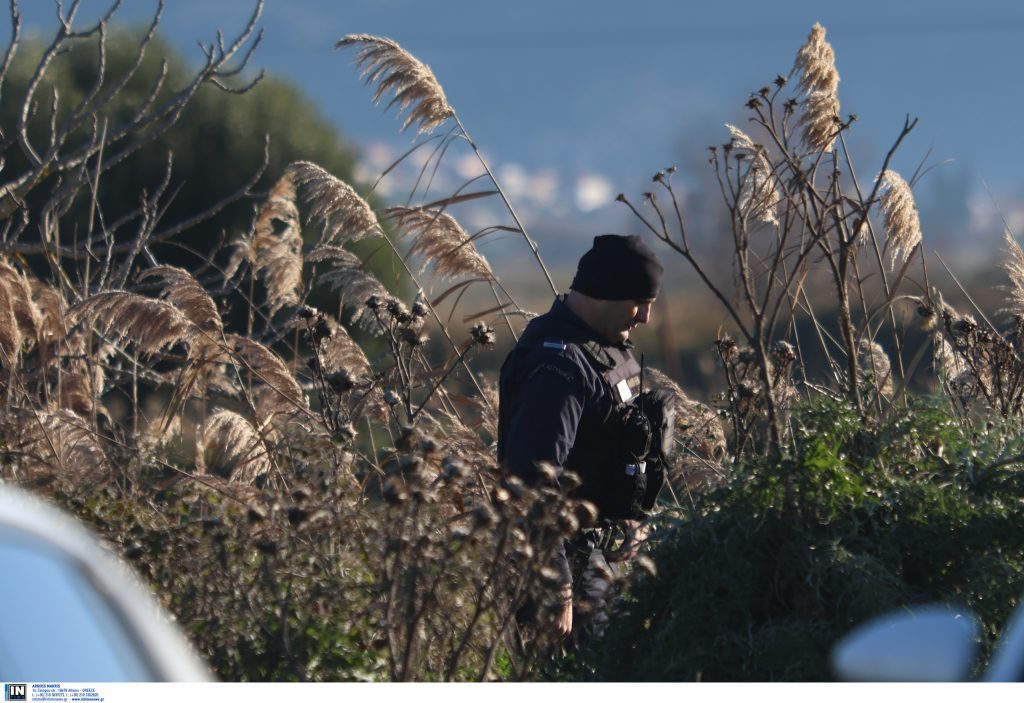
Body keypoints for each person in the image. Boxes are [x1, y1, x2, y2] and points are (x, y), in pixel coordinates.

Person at [497, 234, 672, 640]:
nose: (645, 317)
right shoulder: (556, 366)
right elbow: (532, 480)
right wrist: (556, 587)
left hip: (600, 554)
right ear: (606, 292)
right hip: (565, 564)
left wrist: (630, 522)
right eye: (639, 302)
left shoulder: (603, 351)